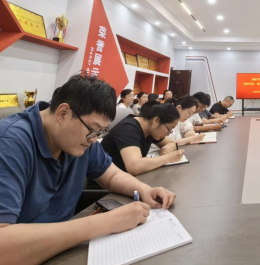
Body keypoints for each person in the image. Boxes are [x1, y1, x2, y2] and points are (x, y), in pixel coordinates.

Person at [0, 75, 176, 264]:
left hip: (65, 246)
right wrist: (106, 222)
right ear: (63, 113)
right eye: (93, 129)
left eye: (100, 132)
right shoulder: (10, 144)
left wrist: (145, 190)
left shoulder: (80, 139)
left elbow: (111, 175)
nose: (94, 139)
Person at [100, 101, 184, 175]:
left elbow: (171, 143)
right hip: (107, 184)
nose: (168, 133)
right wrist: (168, 158)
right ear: (156, 120)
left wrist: (167, 148)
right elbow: (134, 166)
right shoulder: (128, 129)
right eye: (169, 129)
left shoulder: (150, 128)